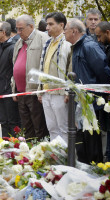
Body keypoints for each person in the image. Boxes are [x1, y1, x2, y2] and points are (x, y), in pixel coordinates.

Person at [65, 18, 110, 164]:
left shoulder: (89, 46)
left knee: (92, 140)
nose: (64, 32)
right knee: (81, 139)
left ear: (74, 31)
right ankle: (84, 168)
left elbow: (103, 72)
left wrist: (99, 95)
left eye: (65, 29)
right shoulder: (77, 47)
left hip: (91, 101)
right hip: (80, 101)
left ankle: (94, 169)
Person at [11, 15, 49, 140]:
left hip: (34, 92)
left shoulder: (43, 38)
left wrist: (41, 89)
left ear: (31, 26)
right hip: (21, 92)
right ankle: (29, 154)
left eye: (21, 29)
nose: (18, 32)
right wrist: (14, 89)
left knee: (39, 127)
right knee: (27, 127)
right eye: (17, 29)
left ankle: (40, 154)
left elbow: (45, 66)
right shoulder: (19, 42)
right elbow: (14, 66)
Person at [38, 12, 71, 143]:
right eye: (47, 24)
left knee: (63, 128)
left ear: (61, 25)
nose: (47, 28)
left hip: (60, 92)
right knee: (51, 128)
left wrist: (68, 91)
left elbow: (70, 69)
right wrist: (40, 90)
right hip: (46, 92)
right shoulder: (48, 43)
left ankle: (66, 159)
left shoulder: (67, 43)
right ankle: (55, 158)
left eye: (51, 24)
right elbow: (42, 68)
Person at [0, 21, 21, 137]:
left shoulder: (12, 48)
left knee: (12, 122)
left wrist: (13, 90)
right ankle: (5, 146)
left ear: (3, 32)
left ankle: (14, 148)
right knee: (3, 121)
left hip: (9, 92)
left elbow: (14, 71)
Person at [95, 21, 110, 165]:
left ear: (107, 32)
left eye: (99, 36)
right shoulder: (108, 47)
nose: (98, 39)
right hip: (109, 93)